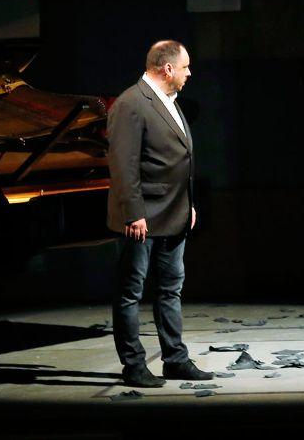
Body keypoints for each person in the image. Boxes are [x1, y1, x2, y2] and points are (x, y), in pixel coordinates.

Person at [105, 40, 212, 388]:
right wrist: (133, 213)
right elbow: (124, 164)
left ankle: (175, 360)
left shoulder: (169, 102)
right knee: (130, 292)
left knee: (170, 289)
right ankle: (134, 365)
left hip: (173, 213)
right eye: (185, 67)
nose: (189, 73)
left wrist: (188, 203)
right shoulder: (131, 103)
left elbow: (177, 161)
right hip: (142, 217)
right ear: (167, 69)